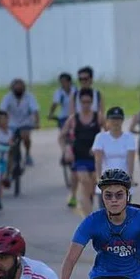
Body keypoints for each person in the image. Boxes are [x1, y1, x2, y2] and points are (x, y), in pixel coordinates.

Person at [60, 87, 102, 216]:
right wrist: (66, 150)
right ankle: (88, 217)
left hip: (94, 157)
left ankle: (88, 202)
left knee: (93, 184)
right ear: (79, 103)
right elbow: (62, 136)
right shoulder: (73, 119)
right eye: (83, 102)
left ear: (92, 102)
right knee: (84, 181)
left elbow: (108, 134)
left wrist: (100, 147)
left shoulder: (98, 117)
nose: (86, 105)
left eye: (88, 102)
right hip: (79, 157)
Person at [92, 106, 137, 202]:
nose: (116, 122)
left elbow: (130, 159)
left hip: (123, 181)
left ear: (122, 120)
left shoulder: (129, 137)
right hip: (106, 180)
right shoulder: (100, 137)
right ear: (107, 120)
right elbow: (98, 160)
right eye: (113, 119)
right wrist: (98, 177)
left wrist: (130, 177)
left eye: (118, 119)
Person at [0, 78, 40, 167]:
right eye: (16, 89)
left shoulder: (29, 97)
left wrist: (37, 122)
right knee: (10, 143)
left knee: (26, 137)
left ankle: (28, 154)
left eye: (21, 88)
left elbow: (35, 111)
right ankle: (11, 166)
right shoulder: (7, 97)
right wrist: (1, 122)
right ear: (12, 89)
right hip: (11, 123)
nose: (19, 91)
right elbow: (2, 111)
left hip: (25, 122)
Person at [49, 73, 77, 174]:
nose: (63, 84)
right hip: (63, 117)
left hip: (74, 116)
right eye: (61, 82)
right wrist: (51, 114)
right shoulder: (59, 92)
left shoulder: (76, 91)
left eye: (65, 82)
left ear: (70, 82)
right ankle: (65, 152)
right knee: (63, 135)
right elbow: (55, 104)